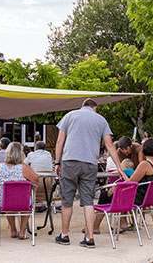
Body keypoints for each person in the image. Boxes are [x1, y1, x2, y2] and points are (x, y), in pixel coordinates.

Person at [54, 98, 124, 249]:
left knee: (67, 199)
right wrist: (119, 166)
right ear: (95, 108)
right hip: (90, 163)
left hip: (70, 161)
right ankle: (90, 237)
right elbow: (109, 145)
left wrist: (57, 163)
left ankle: (64, 235)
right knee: (88, 200)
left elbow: (60, 141)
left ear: (82, 106)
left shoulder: (69, 116)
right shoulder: (100, 120)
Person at [0, 142, 39, 240]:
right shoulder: (23, 168)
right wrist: (26, 165)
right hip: (23, 202)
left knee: (7, 197)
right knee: (26, 200)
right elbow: (36, 180)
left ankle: (13, 229)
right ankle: (22, 231)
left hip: (3, 202)